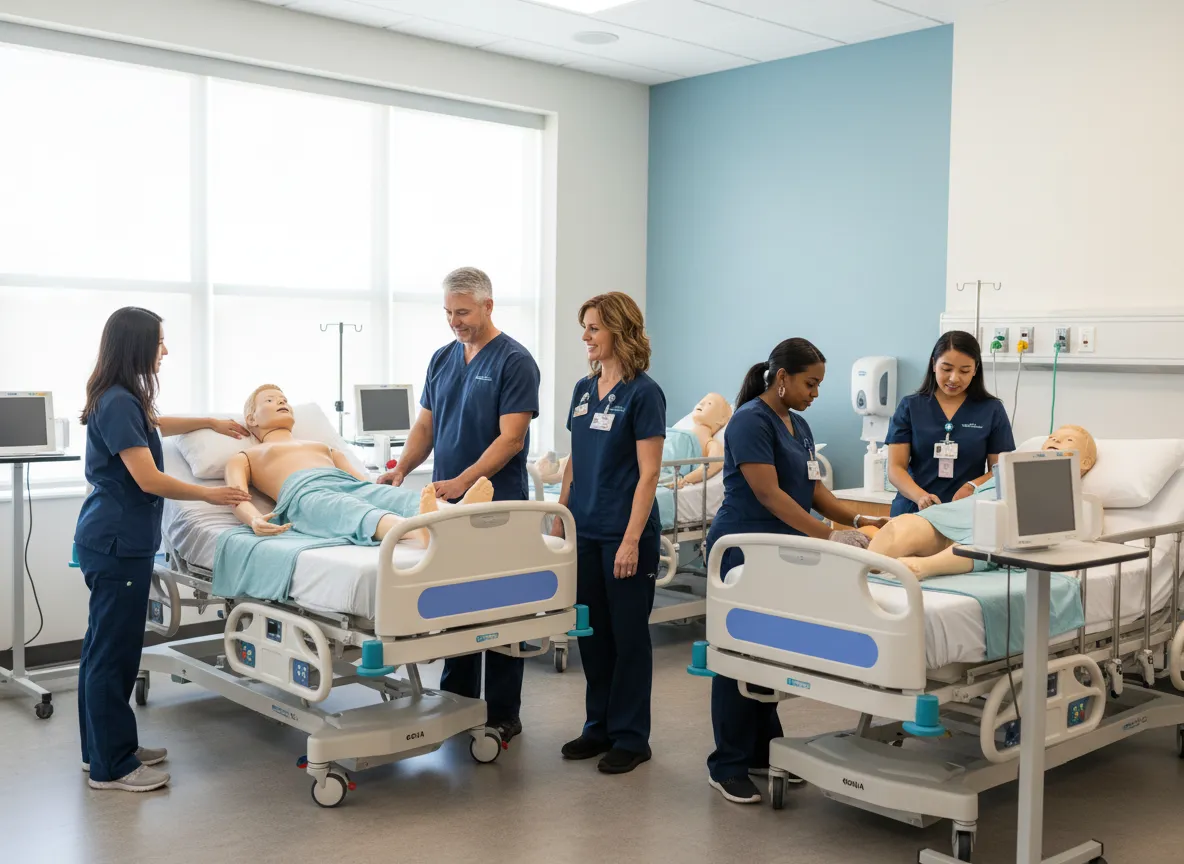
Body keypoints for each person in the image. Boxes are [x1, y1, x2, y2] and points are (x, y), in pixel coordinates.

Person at [74, 307, 251, 792]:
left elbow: (155, 424)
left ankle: (105, 751)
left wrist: (212, 421)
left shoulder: (121, 398)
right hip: (117, 543)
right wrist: (212, 495)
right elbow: (148, 477)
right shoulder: (116, 402)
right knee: (112, 654)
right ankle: (113, 768)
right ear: (136, 346)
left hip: (113, 541)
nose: (165, 351)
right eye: (159, 342)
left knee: (101, 651)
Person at [704, 338, 888, 805]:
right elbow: (768, 494)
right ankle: (726, 763)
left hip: (781, 551)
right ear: (781, 378)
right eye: (811, 382)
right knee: (736, 652)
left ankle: (763, 750)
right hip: (744, 549)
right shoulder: (749, 421)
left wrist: (859, 520)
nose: (816, 392)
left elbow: (813, 489)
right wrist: (827, 536)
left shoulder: (798, 424)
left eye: (819, 384)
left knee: (770, 651)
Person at [377, 267, 540, 745]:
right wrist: (403, 467)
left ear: (489, 306)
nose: (455, 322)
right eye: (449, 313)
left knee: (503, 611)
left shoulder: (515, 362)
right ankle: (457, 704)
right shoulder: (442, 358)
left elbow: (511, 439)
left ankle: (504, 713)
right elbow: (425, 427)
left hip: (498, 504)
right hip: (452, 506)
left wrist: (466, 480)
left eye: (463, 312)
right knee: (458, 606)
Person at [551, 293, 664, 775]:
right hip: (585, 530)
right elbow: (577, 456)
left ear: (618, 331)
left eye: (593, 328)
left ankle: (631, 736)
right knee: (592, 635)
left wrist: (632, 539)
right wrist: (560, 512)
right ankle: (597, 726)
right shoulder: (583, 389)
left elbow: (649, 474)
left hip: (625, 533)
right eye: (585, 329)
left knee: (629, 637)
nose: (586, 338)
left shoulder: (644, 393)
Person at [224, 384, 494, 545]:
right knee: (349, 509)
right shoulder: (246, 456)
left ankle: (456, 514)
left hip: (345, 483)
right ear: (251, 418)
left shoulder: (323, 448)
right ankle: (417, 531)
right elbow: (236, 497)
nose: (281, 402)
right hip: (306, 495)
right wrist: (254, 518)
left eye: (283, 399)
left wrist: (380, 492)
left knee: (388, 496)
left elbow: (361, 483)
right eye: (270, 401)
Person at [867, 425, 1097, 579]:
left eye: (1068, 440)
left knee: (976, 548)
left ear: (1084, 462)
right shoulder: (1009, 470)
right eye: (1052, 438)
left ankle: (924, 567)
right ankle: (862, 569)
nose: (1055, 440)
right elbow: (979, 486)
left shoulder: (1067, 493)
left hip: (988, 535)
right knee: (901, 527)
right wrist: (971, 485)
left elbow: (1082, 530)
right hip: (950, 517)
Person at [885, 330, 1015, 517]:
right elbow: (896, 468)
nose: (954, 378)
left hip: (966, 512)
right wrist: (921, 497)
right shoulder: (911, 406)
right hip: (913, 510)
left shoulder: (991, 410)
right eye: (947, 369)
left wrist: (972, 487)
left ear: (975, 370)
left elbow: (1000, 469)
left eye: (964, 371)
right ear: (933, 365)